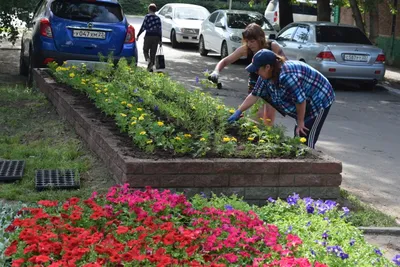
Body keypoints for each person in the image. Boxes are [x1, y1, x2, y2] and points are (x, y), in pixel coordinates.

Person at [228, 49, 335, 149]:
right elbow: (254, 95)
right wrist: (238, 111)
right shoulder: (265, 76)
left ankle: (310, 162)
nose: (255, 72)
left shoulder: (287, 76)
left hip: (320, 96)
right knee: (299, 135)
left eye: (257, 69)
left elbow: (300, 100)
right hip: (305, 96)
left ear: (268, 67)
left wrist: (301, 121)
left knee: (305, 136)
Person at [208, 23, 286, 125]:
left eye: (252, 41)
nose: (249, 44)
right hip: (255, 85)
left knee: (269, 118)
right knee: (258, 115)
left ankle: (267, 138)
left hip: (271, 84)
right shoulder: (245, 49)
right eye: (247, 41)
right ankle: (256, 137)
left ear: (260, 38)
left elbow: (285, 63)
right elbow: (225, 61)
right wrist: (216, 71)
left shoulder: (272, 46)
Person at [137, 3, 162, 72]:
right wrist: (160, 40)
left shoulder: (147, 17)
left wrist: (138, 35)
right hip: (156, 37)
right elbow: (159, 30)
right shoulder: (158, 18)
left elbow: (143, 27)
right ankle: (151, 68)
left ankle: (149, 61)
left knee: (145, 50)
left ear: (150, 9)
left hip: (148, 36)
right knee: (153, 52)